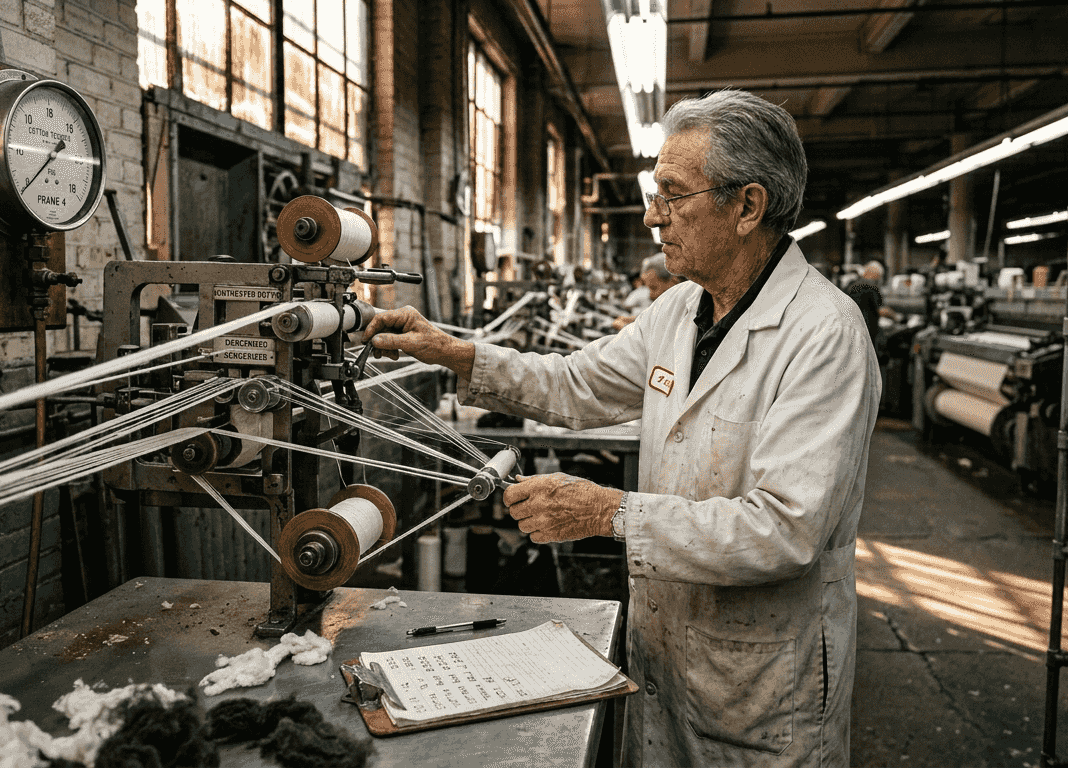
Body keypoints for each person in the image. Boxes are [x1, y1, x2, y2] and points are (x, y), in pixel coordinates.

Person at [363, 89, 880, 767]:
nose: (651, 214)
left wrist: (608, 512)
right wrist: (454, 351)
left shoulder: (823, 334)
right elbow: (576, 384)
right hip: (666, 654)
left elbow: (785, 531)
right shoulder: (682, 312)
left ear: (748, 206)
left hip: (760, 685)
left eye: (673, 193)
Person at [614, 253, 683, 330]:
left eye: (653, 288)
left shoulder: (683, 312)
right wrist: (630, 319)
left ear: (674, 281)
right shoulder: (666, 307)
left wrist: (624, 327)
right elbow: (653, 318)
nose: (651, 295)